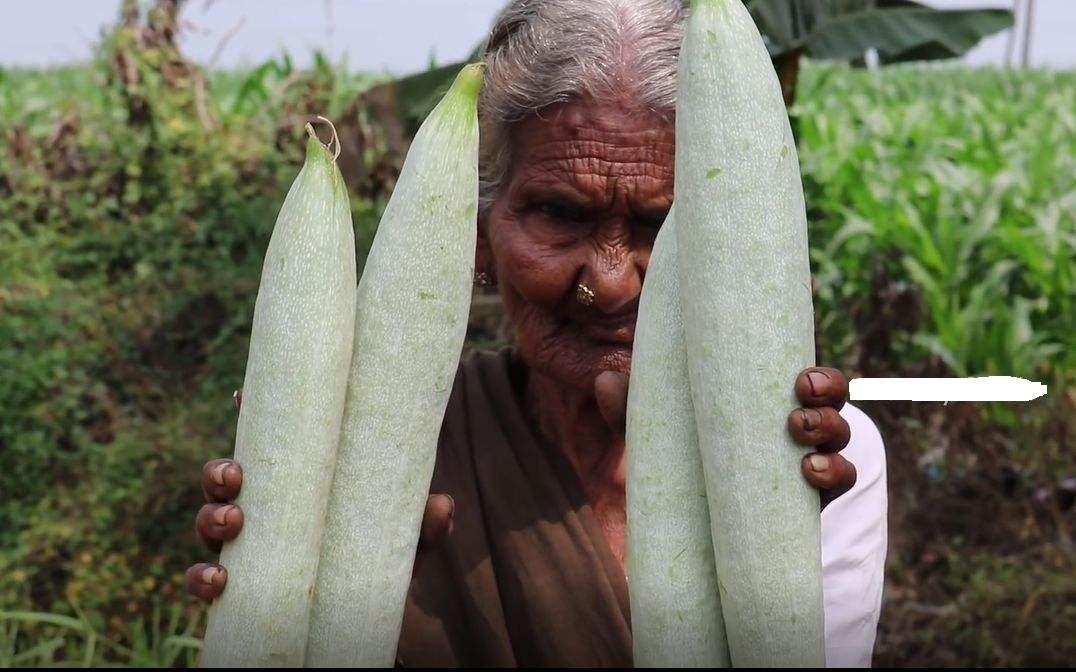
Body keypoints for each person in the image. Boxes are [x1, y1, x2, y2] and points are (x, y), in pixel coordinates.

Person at [186, 0, 888, 666]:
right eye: (559, 212)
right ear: (480, 235)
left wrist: (763, 536)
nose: (611, 283)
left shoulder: (821, 459)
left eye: (657, 226)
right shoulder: (373, 441)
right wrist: (297, 596)